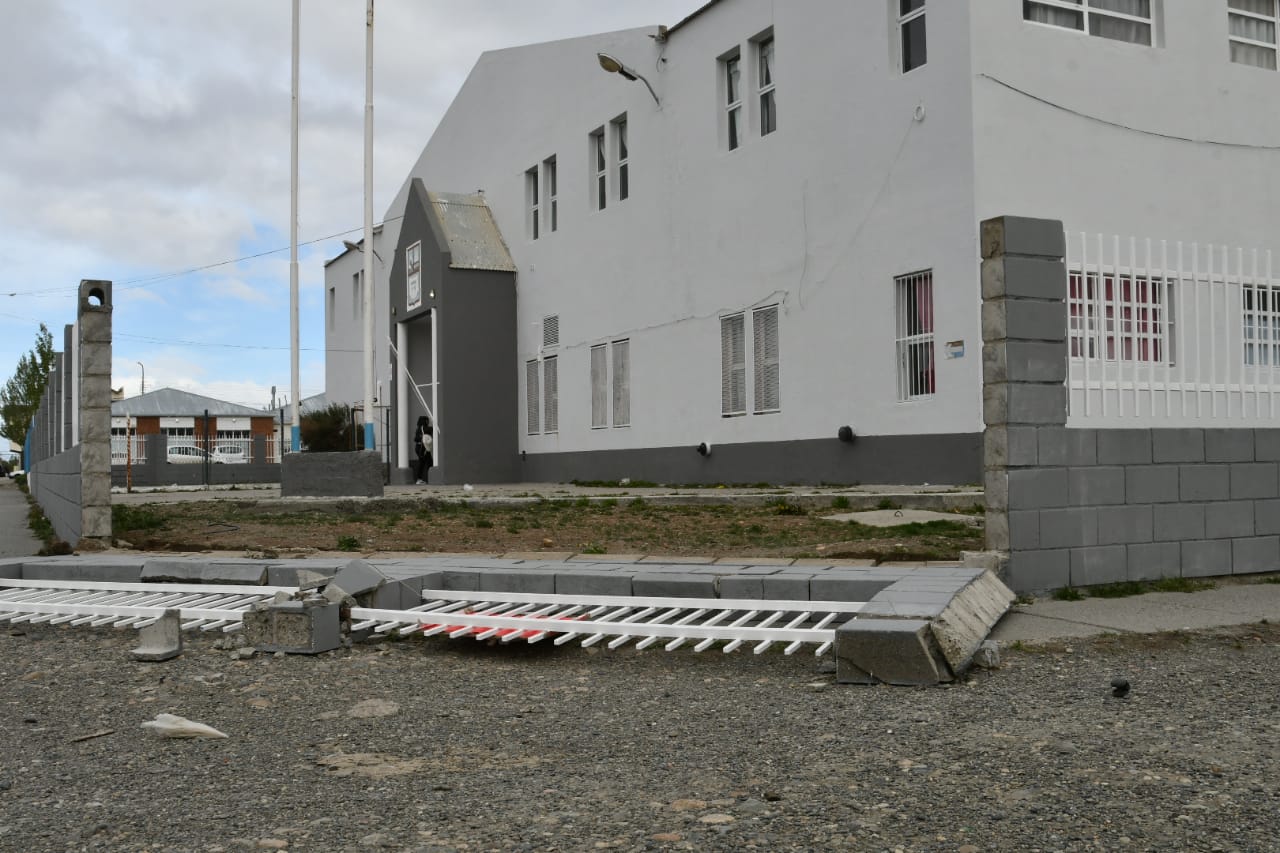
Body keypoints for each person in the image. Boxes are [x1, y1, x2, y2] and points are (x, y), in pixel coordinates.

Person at [413, 416, 433, 485]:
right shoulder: (423, 428)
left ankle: (420, 479)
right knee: (426, 462)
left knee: (425, 462)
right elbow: (430, 429)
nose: (428, 422)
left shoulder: (418, 429)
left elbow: (415, 439)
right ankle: (420, 479)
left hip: (420, 448)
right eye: (427, 420)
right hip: (422, 449)